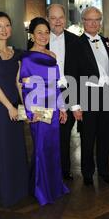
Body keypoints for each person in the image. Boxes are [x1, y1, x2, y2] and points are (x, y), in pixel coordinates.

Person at [19, 17, 69, 206]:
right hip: (37, 109)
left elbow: (55, 85)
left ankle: (54, 186)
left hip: (53, 108)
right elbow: (23, 87)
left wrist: (62, 107)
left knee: (52, 148)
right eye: (39, 32)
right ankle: (41, 190)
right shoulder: (25, 57)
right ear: (31, 35)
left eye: (46, 32)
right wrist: (29, 113)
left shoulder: (52, 56)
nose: (43, 36)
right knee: (40, 148)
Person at [0, 12, 29, 207]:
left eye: (7, 25)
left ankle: (18, 188)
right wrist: (9, 107)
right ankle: (4, 191)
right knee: (2, 146)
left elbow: (18, 83)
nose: (3, 29)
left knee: (15, 145)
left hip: (14, 105)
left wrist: (24, 105)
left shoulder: (16, 52)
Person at [75, 7, 109, 186]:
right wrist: (75, 104)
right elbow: (72, 74)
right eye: (89, 20)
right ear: (83, 21)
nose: (93, 23)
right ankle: (88, 173)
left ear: (101, 21)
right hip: (87, 95)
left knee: (105, 136)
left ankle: (104, 171)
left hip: (106, 93)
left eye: (97, 19)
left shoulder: (107, 42)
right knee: (88, 137)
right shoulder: (76, 43)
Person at [46, 4, 80, 181]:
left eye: (60, 17)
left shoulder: (75, 40)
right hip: (46, 93)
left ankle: (65, 170)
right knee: (49, 132)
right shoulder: (39, 40)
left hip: (69, 91)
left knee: (65, 133)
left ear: (65, 19)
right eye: (53, 18)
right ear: (48, 20)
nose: (57, 21)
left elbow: (79, 72)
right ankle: (50, 169)